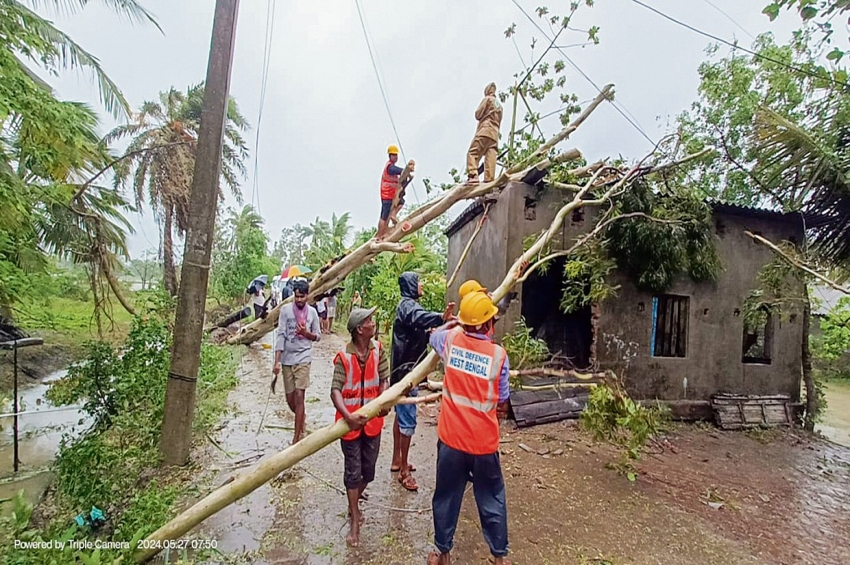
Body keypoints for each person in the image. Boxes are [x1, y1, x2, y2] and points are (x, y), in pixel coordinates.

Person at [427, 290, 511, 565]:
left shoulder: (450, 340)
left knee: (446, 498)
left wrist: (451, 323)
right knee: (492, 500)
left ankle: (443, 555)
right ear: (488, 325)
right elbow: (503, 400)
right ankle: (499, 559)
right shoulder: (499, 356)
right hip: (483, 444)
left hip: (451, 441)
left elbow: (432, 335)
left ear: (464, 323)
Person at [330, 306, 390, 547]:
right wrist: (348, 416)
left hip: (372, 423)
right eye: (368, 321)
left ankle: (352, 501)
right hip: (349, 425)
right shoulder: (344, 357)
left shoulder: (379, 350)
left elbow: (385, 378)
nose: (373, 323)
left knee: (369, 472)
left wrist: (383, 400)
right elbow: (335, 390)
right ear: (358, 330)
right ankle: (355, 517)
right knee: (353, 472)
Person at [391, 272, 455, 491]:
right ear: (410, 285)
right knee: (407, 420)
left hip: (404, 370)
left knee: (400, 416)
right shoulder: (408, 306)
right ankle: (404, 472)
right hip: (407, 373)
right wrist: (441, 318)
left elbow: (420, 326)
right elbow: (420, 317)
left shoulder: (408, 307)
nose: (422, 285)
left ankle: (397, 460)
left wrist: (437, 327)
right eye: (419, 282)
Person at [273, 279, 321, 444]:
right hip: (287, 358)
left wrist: (306, 334)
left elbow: (318, 336)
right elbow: (280, 335)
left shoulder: (313, 313)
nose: (299, 300)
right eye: (297, 297)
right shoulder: (285, 311)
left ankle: (296, 438)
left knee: (300, 395)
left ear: (307, 296)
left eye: (302, 297)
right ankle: (302, 418)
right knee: (290, 400)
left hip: (303, 357)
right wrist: (276, 361)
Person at [466, 82, 503, 184]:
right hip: (495, 135)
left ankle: (473, 175)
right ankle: (489, 181)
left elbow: (478, 114)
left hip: (485, 130)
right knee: (490, 157)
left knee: (473, 153)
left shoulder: (487, 99)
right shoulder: (500, 106)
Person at [377, 145, 414, 241]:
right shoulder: (389, 167)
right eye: (393, 155)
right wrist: (406, 170)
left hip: (392, 195)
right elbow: (398, 170)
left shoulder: (391, 167)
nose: (395, 157)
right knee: (384, 216)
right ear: (390, 156)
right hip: (387, 194)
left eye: (396, 155)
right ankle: (379, 236)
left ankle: (392, 216)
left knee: (401, 202)